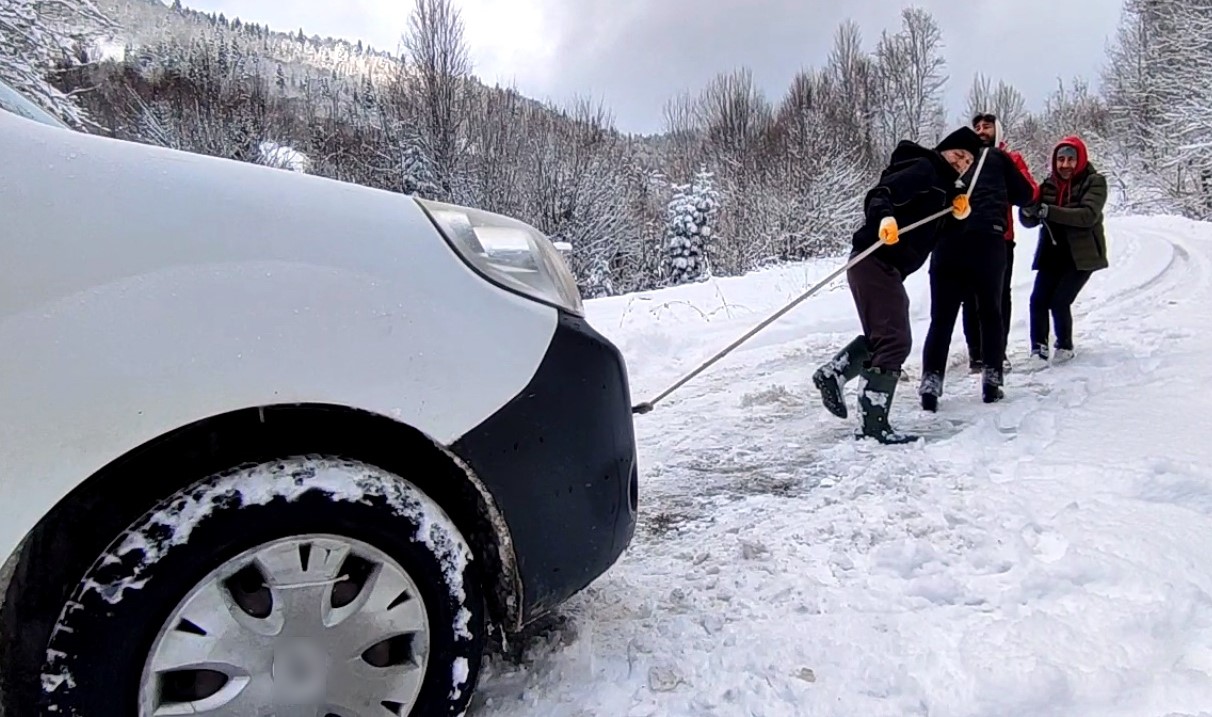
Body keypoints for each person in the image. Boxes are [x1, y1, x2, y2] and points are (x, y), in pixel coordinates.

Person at [812, 127, 982, 444]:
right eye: (959, 155)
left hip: (883, 268)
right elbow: (881, 195)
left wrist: (958, 217)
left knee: (885, 337)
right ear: (945, 149)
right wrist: (884, 219)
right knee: (895, 340)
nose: (962, 163)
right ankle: (873, 426)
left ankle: (834, 374)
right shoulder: (925, 168)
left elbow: (936, 238)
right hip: (873, 259)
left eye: (968, 161)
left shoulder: (945, 190)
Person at [918, 123, 1039, 409]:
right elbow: (1025, 195)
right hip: (989, 241)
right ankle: (992, 380)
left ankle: (931, 383)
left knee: (942, 318)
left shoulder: (940, 163)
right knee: (990, 313)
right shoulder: (998, 158)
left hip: (947, 245)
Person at [959, 113, 1039, 374]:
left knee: (998, 296)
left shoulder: (1009, 159)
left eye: (987, 127)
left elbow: (1029, 191)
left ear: (998, 130)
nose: (982, 131)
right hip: (966, 237)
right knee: (969, 299)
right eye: (978, 127)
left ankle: (997, 351)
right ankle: (976, 354)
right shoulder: (964, 161)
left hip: (1000, 238)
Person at [1019, 135, 1108, 363]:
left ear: (1079, 160)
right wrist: (1028, 210)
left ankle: (1064, 344)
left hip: (1081, 255)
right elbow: (1030, 220)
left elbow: (1088, 216)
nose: (1065, 165)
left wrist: (1050, 211)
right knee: (1038, 300)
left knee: (1060, 301)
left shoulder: (1094, 182)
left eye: (1070, 159)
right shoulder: (1048, 185)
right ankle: (1038, 347)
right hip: (1052, 252)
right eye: (1060, 160)